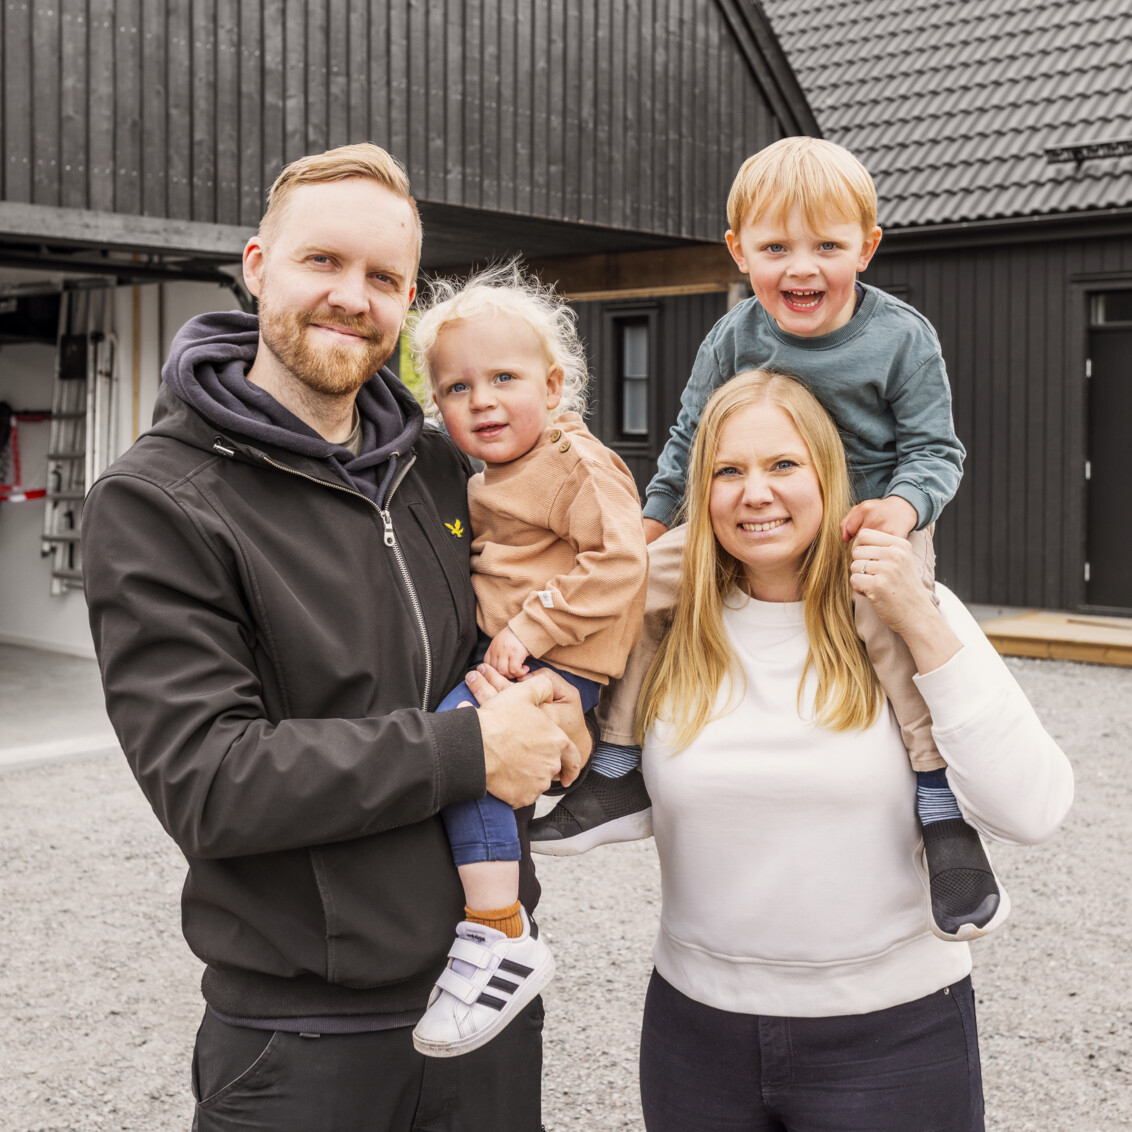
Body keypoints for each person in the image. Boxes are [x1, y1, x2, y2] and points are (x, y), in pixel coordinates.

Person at [80, 143, 592, 1132]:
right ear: (258, 263)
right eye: (324, 262)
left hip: (484, 1001)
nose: (352, 296)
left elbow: (531, 627)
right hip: (303, 1043)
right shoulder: (159, 501)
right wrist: (472, 746)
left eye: (384, 277)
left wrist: (559, 705)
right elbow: (209, 781)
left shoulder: (444, 471)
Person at [532, 137, 990, 943]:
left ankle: (939, 801)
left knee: (897, 624)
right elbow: (688, 438)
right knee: (634, 585)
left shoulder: (901, 339)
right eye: (776, 248)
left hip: (864, 519)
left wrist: (907, 511)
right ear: (740, 252)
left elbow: (935, 449)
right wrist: (647, 526)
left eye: (827, 247)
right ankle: (615, 763)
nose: (800, 268)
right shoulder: (735, 337)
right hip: (751, 518)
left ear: (867, 249)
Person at [630, 370, 1073, 1131]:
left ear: (828, 476)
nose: (755, 493)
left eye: (782, 465)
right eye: (728, 471)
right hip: (694, 1036)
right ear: (700, 491)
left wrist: (924, 624)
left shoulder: (904, 610)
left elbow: (1032, 811)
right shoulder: (669, 624)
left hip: (894, 1038)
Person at [405, 265, 647, 1057]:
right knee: (470, 762)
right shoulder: (490, 476)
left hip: (557, 660)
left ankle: (499, 931)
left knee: (463, 745)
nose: (480, 401)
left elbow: (621, 562)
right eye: (455, 388)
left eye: (503, 378)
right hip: (511, 654)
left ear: (551, 386)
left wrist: (532, 629)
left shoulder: (575, 462)